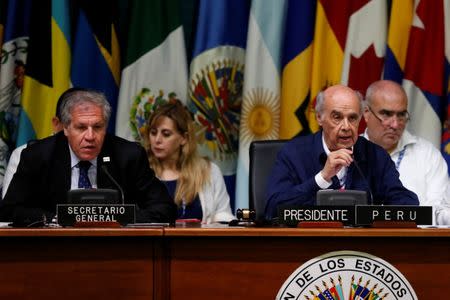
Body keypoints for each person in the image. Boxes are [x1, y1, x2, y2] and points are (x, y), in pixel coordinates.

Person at [0, 88, 177, 224]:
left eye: (98, 127)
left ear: (106, 127)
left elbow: (165, 209)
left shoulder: (128, 156)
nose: (90, 136)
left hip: (117, 248)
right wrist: (57, 218)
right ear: (66, 129)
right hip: (54, 249)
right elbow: (10, 210)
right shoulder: (38, 156)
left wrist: (115, 218)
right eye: (81, 127)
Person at [265, 84, 419, 219]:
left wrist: (376, 213)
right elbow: (273, 209)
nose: (346, 127)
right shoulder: (293, 154)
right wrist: (322, 178)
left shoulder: (376, 155)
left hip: (363, 247)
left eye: (352, 118)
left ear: (361, 118)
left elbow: (407, 204)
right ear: (319, 117)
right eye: (337, 117)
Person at [363, 80, 450, 224]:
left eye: (401, 115)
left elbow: (439, 211)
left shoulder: (427, 155)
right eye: (386, 114)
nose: (395, 124)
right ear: (366, 113)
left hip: (415, 243)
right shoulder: (349, 151)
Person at [142, 100, 234, 224]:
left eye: (166, 134)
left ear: (183, 138)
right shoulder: (140, 172)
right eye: (153, 133)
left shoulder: (208, 171)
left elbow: (224, 216)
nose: (157, 140)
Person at [1, 87, 76, 198]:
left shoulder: (106, 152)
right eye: (79, 126)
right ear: (56, 124)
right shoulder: (27, 154)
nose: (88, 135)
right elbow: (12, 211)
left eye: (96, 126)